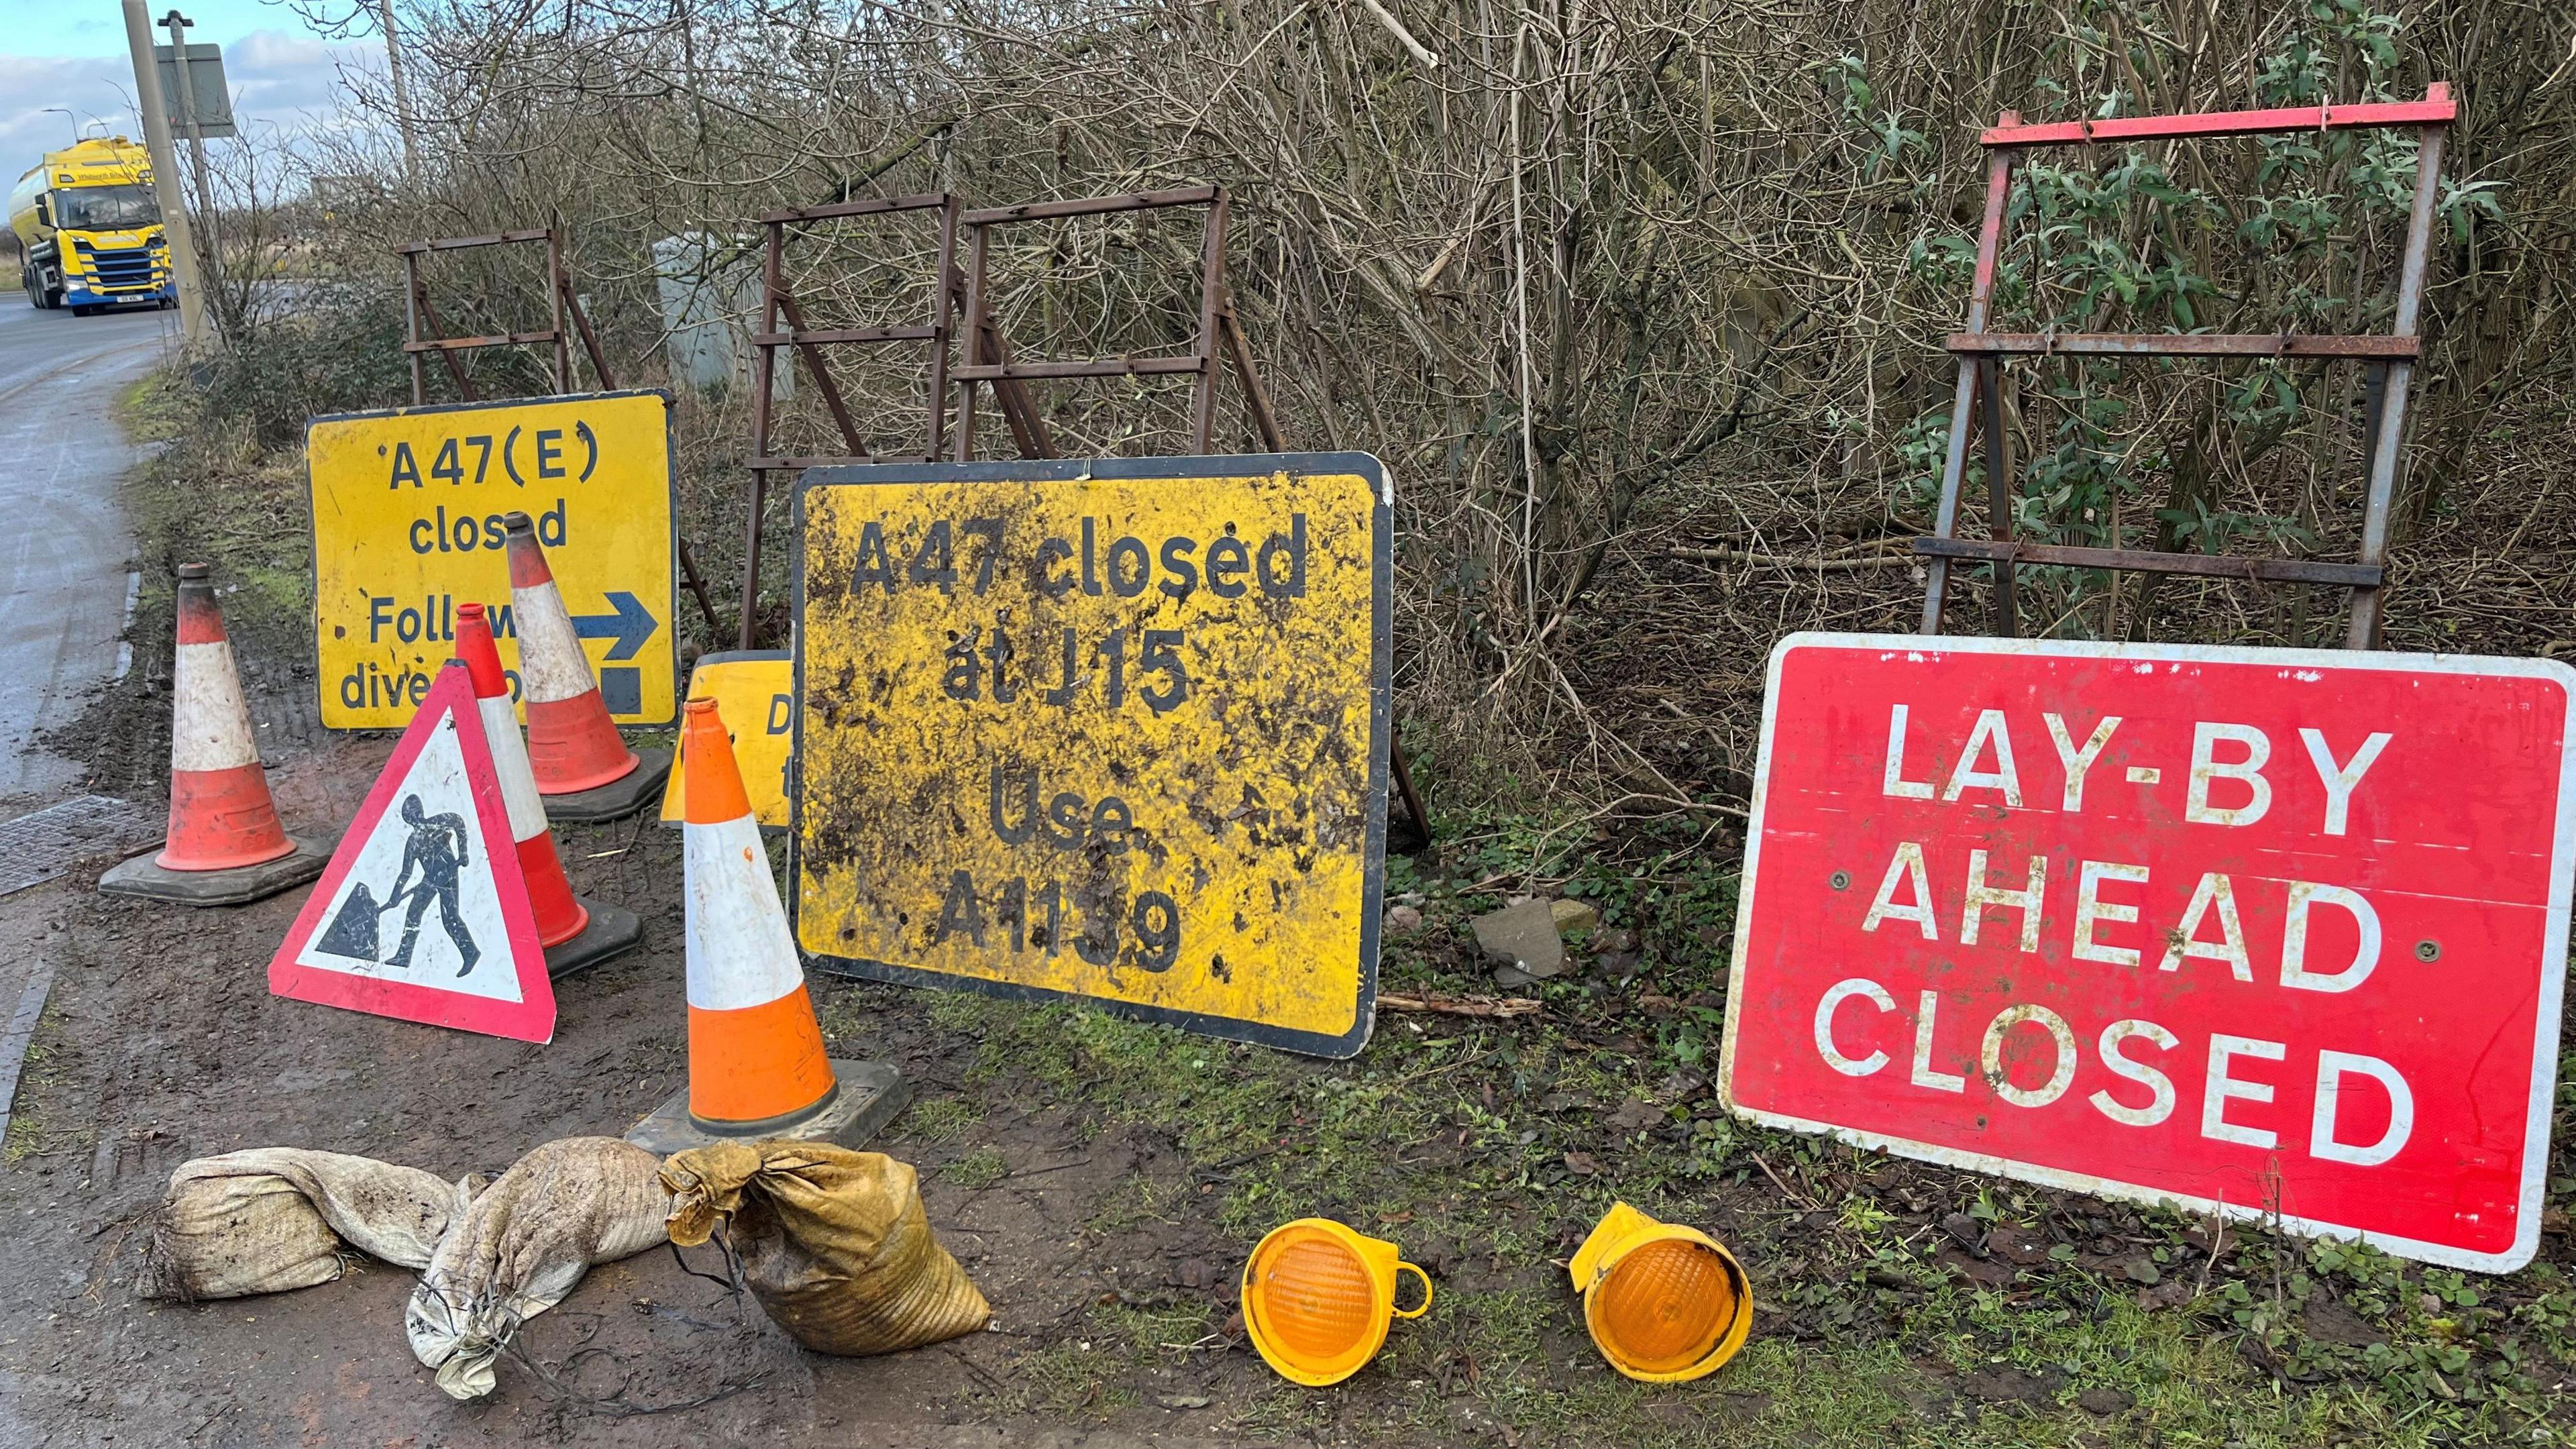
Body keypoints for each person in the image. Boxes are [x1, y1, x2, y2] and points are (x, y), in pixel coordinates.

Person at [386, 793, 480, 977]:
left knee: (450, 919)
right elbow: (406, 873)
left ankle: (471, 953)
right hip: (430, 879)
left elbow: (459, 821)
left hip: (447, 874)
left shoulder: (436, 823)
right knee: (413, 912)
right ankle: (404, 957)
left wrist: (464, 852)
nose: (415, 819)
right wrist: (395, 896)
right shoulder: (413, 841)